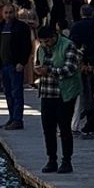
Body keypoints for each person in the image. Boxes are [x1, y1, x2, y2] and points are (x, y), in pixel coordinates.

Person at [35, 25, 81, 174]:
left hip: (64, 93)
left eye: (48, 41)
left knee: (64, 128)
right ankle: (51, 159)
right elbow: (39, 64)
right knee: (48, 129)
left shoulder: (68, 45)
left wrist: (49, 70)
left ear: (55, 36)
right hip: (47, 93)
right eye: (42, 42)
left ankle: (66, 161)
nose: (45, 44)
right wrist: (39, 70)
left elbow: (70, 69)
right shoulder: (41, 49)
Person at [0, 0, 32, 130]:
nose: (8, 15)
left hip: (15, 65)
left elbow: (26, 46)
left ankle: (18, 119)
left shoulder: (21, 27)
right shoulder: (1, 26)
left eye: (10, 12)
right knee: (8, 93)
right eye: (6, 13)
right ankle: (11, 118)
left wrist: (22, 62)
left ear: (15, 13)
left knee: (17, 93)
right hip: (4, 65)